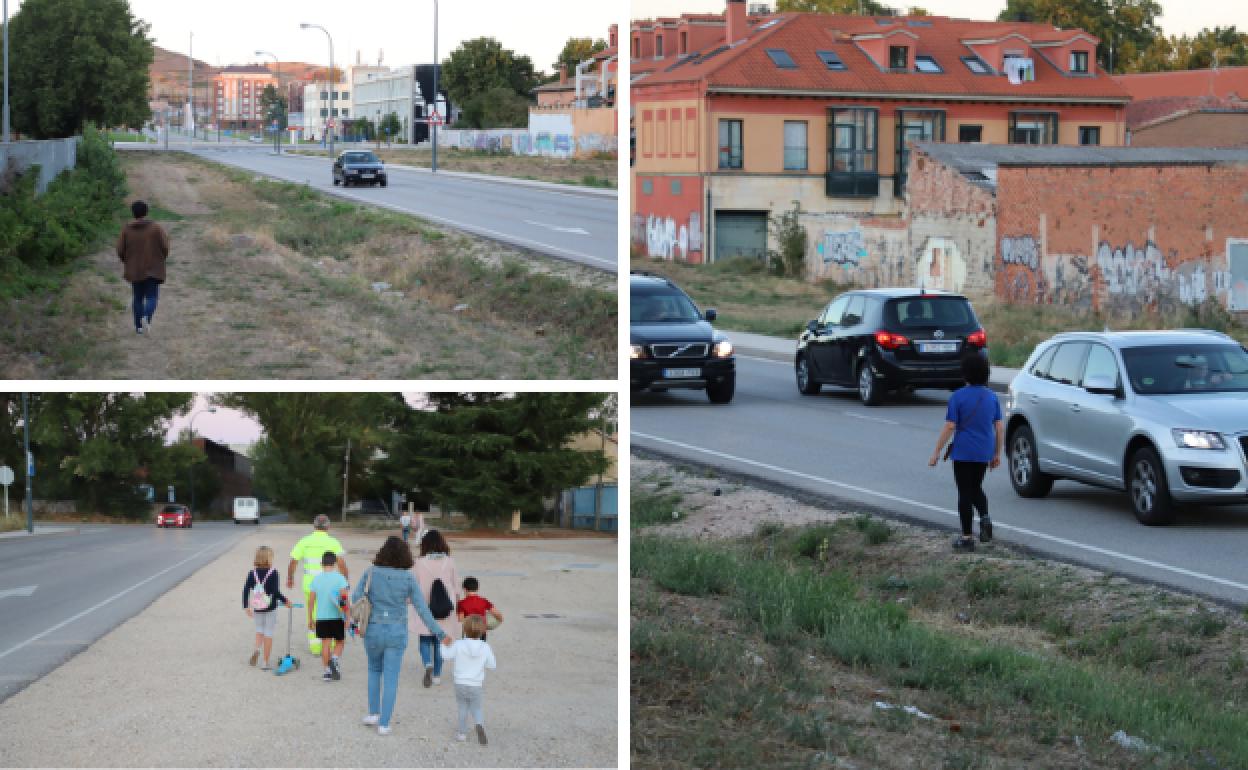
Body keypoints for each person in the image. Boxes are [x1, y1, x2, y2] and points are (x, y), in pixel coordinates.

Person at [352, 536, 451, 736]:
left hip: (373, 628)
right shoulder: (408, 578)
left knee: (373, 670)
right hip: (396, 631)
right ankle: (384, 724)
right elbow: (422, 609)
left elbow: (355, 598)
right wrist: (440, 634)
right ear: (404, 555)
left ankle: (373, 713)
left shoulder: (371, 573)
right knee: (391, 677)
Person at [928, 354, 1003, 552]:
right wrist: (997, 453)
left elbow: (950, 426)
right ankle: (985, 517)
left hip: (963, 451)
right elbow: (999, 427)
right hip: (984, 450)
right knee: (976, 486)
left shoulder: (958, 396)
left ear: (965, 373)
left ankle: (967, 537)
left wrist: (936, 451)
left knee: (964, 491)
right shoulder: (992, 397)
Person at [288, 515, 348, 655]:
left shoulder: (304, 541)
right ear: (328, 526)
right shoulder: (333, 542)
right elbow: (341, 564)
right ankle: (332, 645)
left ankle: (316, 647)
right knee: (333, 612)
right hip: (331, 584)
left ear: (314, 526)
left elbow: (293, 562)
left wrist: (290, 577)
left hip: (310, 584)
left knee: (313, 614)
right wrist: (345, 581)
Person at [411, 529, 458, 688]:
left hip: (424, 606)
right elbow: (455, 586)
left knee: (424, 639)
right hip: (444, 607)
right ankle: (437, 675)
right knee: (440, 641)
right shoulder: (449, 561)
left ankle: (427, 663)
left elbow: (414, 585)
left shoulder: (419, 562)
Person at [116, 200, 171, 335]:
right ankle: (146, 316)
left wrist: (128, 262)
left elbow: (119, 250)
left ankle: (139, 328)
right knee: (152, 297)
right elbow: (165, 247)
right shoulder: (156, 228)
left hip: (135, 270)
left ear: (133, 213)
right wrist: (161, 259)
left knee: (138, 298)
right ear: (146, 212)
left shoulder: (126, 229)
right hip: (153, 268)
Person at [444, 614, 497, 745]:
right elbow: (492, 665)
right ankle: (479, 724)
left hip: (460, 683)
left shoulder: (459, 644)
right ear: (482, 631)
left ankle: (462, 733)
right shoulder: (485, 647)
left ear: (465, 629)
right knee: (476, 708)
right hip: (476, 684)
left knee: (462, 707)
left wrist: (443, 645)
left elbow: (446, 656)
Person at [242, 545, 289, 671]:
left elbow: (246, 589)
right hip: (270, 606)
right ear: (269, 558)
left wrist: (246, 606)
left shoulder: (252, 573)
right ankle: (265, 662)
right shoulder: (273, 573)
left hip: (258, 606)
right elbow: (275, 591)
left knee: (259, 631)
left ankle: (257, 649)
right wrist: (286, 601)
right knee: (268, 633)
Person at [308, 552, 350, 682]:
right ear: (335, 564)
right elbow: (344, 599)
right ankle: (334, 659)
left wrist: (310, 618)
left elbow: (311, 601)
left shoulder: (316, 579)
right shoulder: (340, 578)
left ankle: (326, 672)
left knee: (325, 644)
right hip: (336, 617)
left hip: (321, 617)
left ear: (321, 564)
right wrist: (348, 617)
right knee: (340, 641)